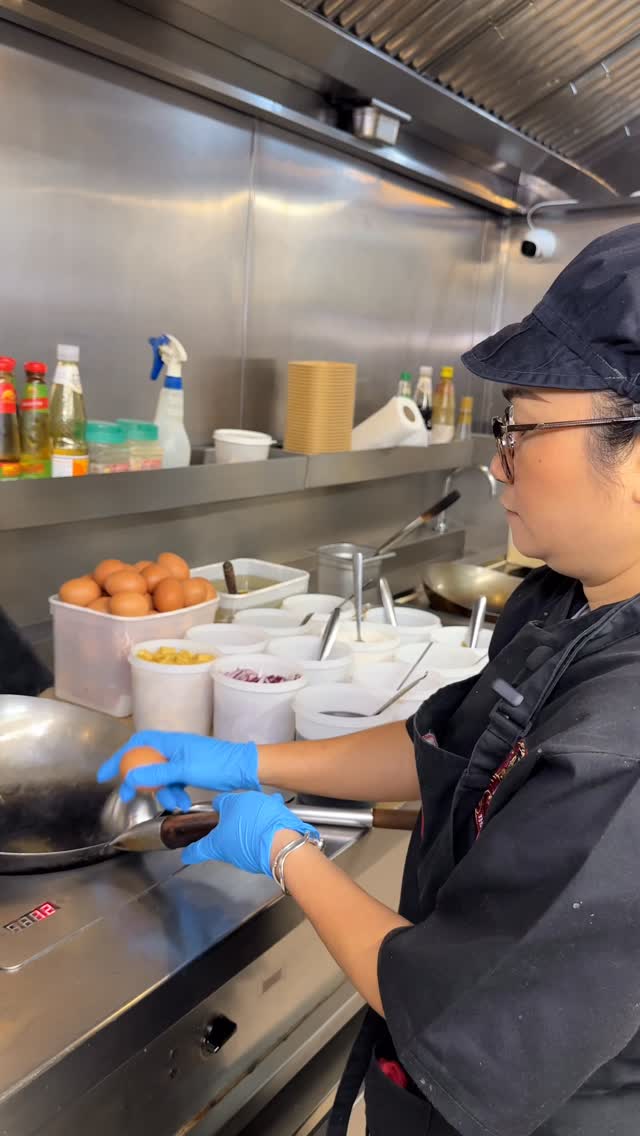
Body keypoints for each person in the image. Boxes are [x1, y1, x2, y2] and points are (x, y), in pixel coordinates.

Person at [99, 223, 640, 1135]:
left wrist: (285, 851)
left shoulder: (624, 740)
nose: (497, 460)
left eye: (525, 423)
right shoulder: (563, 601)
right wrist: (250, 761)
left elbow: (463, 1013)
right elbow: (451, 746)